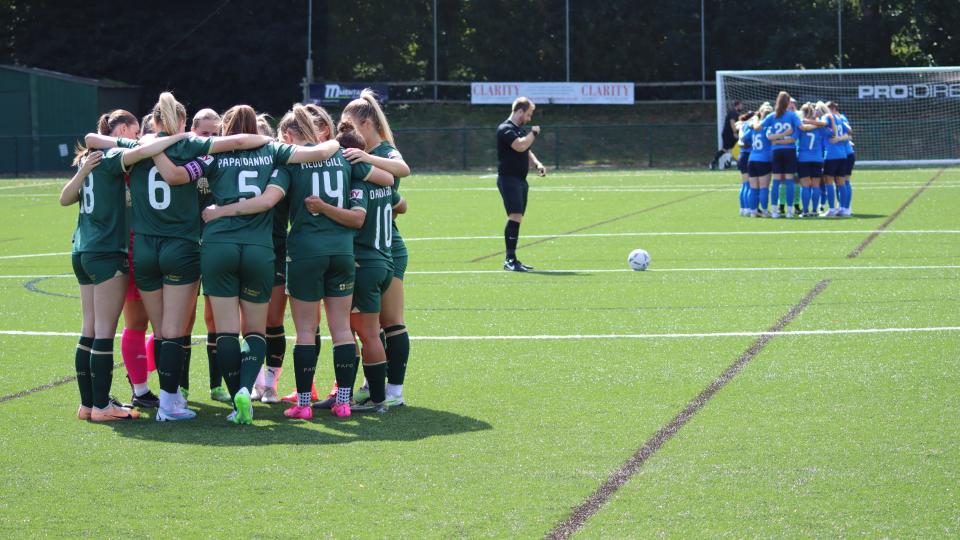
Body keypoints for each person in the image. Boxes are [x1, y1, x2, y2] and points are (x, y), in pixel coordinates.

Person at [169, 104, 340, 424]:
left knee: (226, 332)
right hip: (260, 250)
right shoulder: (273, 151)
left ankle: (236, 401)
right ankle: (247, 389)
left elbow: (177, 175)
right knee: (256, 331)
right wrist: (331, 142)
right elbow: (315, 154)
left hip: (218, 246)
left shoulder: (212, 154)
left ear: (225, 129)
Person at [62, 114, 189, 422]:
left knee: (89, 330)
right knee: (104, 331)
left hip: (81, 249)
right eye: (133, 131)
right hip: (107, 251)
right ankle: (102, 406)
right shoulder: (112, 157)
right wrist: (176, 138)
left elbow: (65, 198)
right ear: (121, 131)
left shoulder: (86, 161)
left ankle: (88, 404)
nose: (137, 135)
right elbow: (142, 151)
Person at [339, 89, 412, 407]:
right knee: (368, 323)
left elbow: (403, 169)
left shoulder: (383, 150)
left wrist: (367, 158)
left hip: (386, 247)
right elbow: (402, 204)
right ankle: (373, 385)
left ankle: (394, 391)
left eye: (350, 124)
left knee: (391, 321)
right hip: (365, 245)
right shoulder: (350, 151)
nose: (346, 130)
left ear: (367, 123)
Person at [497, 96, 545, 272]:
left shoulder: (518, 130)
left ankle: (513, 259)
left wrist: (537, 164)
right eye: (528, 114)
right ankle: (509, 260)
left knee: (518, 218)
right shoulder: (505, 129)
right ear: (519, 111)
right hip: (508, 179)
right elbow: (520, 146)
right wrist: (533, 133)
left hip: (520, 180)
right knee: (515, 216)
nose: (529, 118)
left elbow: (527, 150)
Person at [764, 92, 802, 218]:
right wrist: (785, 134)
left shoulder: (771, 116)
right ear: (788, 103)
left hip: (776, 152)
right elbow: (794, 136)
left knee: (776, 182)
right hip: (789, 151)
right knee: (789, 181)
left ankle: (774, 211)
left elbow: (762, 129)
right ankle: (790, 211)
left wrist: (776, 139)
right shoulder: (792, 116)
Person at [746, 103, 774, 217]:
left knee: (753, 188)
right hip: (764, 159)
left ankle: (753, 211)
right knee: (764, 187)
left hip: (752, 159)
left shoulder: (754, 126)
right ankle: (765, 210)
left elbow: (744, 138)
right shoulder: (769, 127)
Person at [712, 100, 743, 170]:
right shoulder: (733, 112)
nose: (742, 106)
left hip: (731, 133)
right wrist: (735, 132)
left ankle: (728, 164)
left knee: (732, 149)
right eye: (741, 105)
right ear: (737, 105)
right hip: (728, 134)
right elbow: (732, 122)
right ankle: (713, 162)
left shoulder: (736, 113)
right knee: (726, 149)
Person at [735, 111, 755, 216]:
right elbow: (745, 139)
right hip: (748, 156)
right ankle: (748, 208)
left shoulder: (742, 125)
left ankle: (743, 208)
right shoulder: (749, 125)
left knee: (744, 185)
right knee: (749, 185)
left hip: (742, 156)